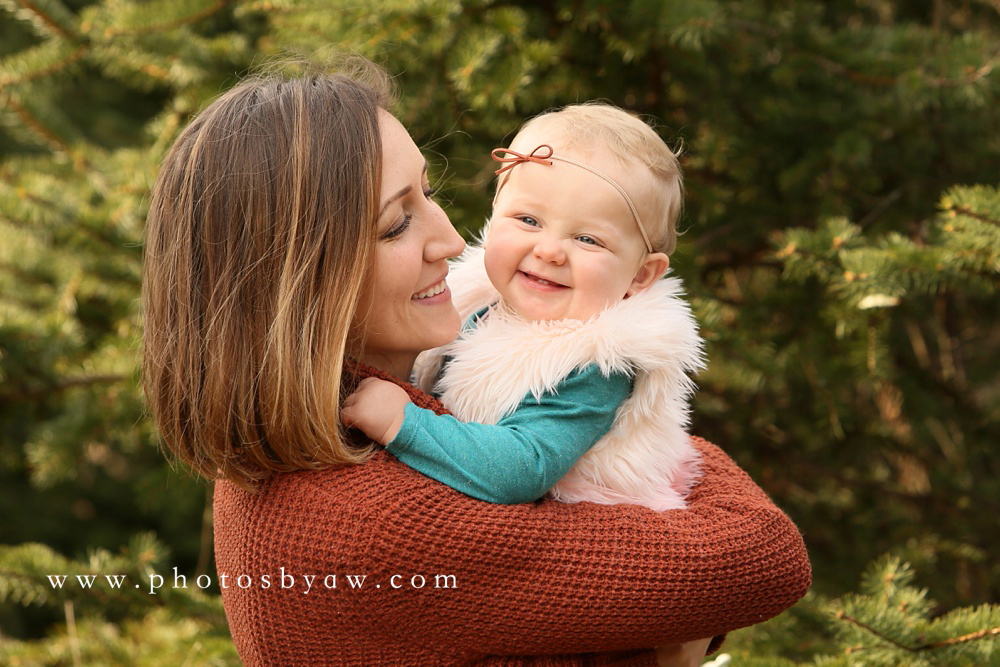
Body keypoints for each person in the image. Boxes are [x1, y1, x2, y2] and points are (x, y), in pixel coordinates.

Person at [142, 58, 811, 667]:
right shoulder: (376, 525)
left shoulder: (331, 430)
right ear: (300, 283)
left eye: (427, 194)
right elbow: (759, 557)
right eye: (397, 223)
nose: (452, 239)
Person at [342, 103, 705, 511]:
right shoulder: (481, 308)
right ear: (494, 215)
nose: (549, 251)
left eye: (588, 239)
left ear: (640, 276)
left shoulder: (593, 365)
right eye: (529, 220)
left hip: (586, 536)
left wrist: (401, 422)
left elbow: (521, 469)